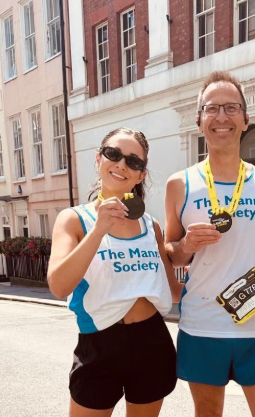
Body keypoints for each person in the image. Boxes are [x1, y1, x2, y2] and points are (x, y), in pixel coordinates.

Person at [165, 71, 255, 417]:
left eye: (231, 108)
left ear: (245, 119)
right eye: (212, 108)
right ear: (199, 120)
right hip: (202, 326)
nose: (222, 117)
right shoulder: (180, 184)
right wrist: (187, 245)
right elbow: (171, 255)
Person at [48, 127, 182, 417]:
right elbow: (58, 285)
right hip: (99, 341)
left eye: (133, 161)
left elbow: (174, 291)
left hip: (151, 341)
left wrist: (200, 255)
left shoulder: (151, 226)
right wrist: (99, 230)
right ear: (99, 159)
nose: (122, 164)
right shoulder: (74, 219)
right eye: (113, 154)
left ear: (141, 174)